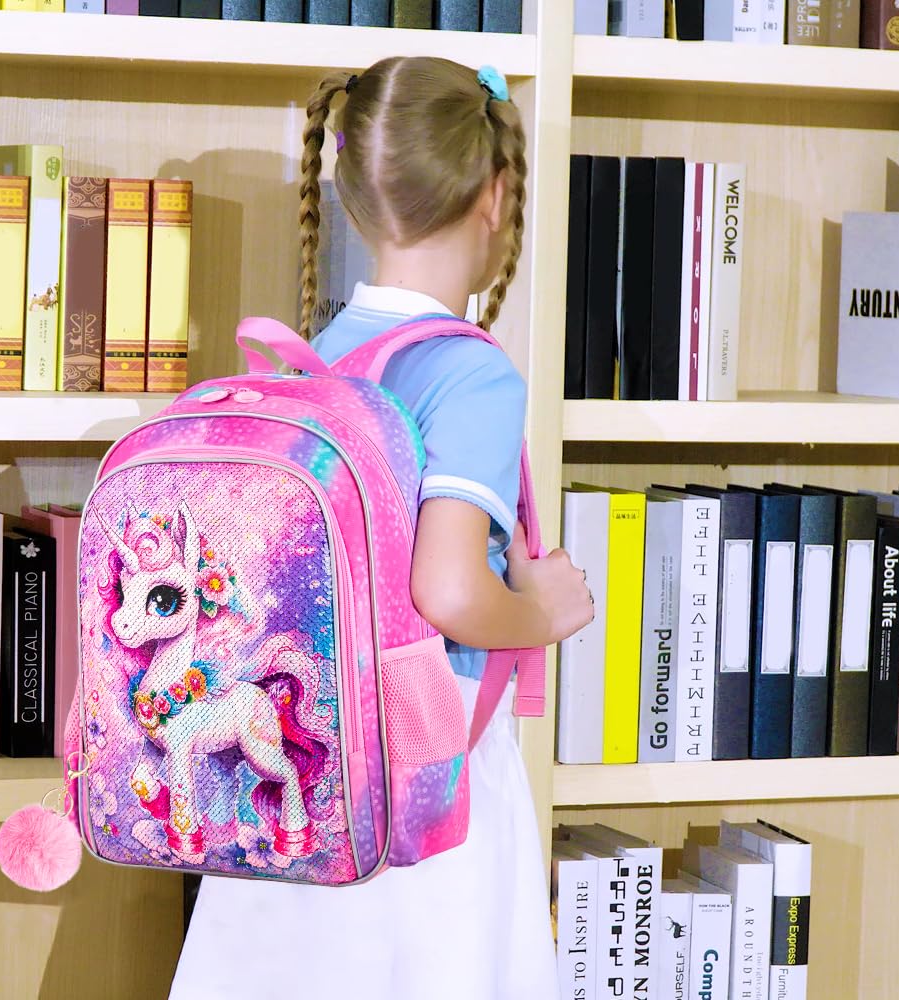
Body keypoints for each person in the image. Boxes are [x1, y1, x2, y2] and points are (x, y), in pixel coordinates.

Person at [170, 56, 594, 1000]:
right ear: (496, 193)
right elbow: (447, 590)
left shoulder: (307, 362)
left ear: (356, 199)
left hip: (299, 781)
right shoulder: (472, 375)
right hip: (424, 792)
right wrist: (547, 612)